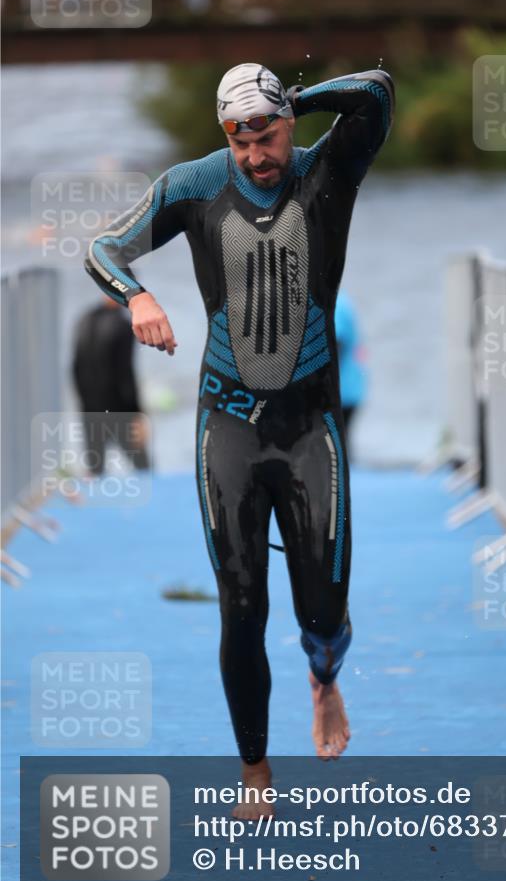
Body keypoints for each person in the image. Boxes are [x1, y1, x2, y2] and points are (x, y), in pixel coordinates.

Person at [84, 62, 394, 817]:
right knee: (241, 603)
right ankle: (254, 770)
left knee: (321, 614)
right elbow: (102, 249)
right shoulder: (191, 186)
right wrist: (138, 298)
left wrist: (300, 97)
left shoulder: (328, 173)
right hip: (226, 425)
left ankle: (323, 677)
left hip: (309, 429)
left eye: (269, 134)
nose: (256, 154)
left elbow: (378, 90)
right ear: (223, 135)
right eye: (239, 139)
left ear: (289, 123)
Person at [72, 295, 151, 475]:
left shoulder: (84, 320)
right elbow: (125, 375)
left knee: (95, 471)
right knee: (144, 469)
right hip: (119, 409)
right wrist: (137, 414)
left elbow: (75, 369)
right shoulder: (122, 326)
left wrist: (84, 406)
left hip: (90, 409)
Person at [334, 289, 368, 445]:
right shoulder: (342, 299)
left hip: (341, 390)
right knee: (341, 442)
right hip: (352, 386)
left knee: (336, 443)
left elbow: (336, 344)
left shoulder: (335, 302)